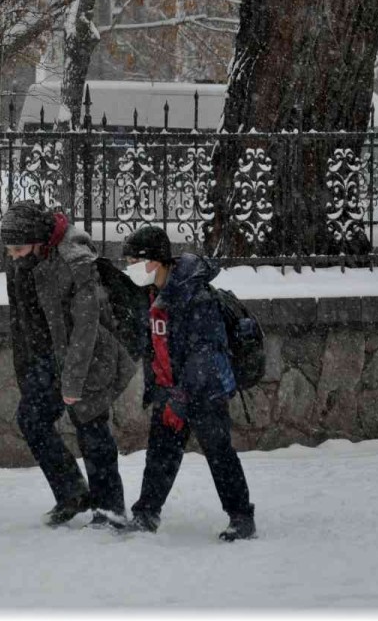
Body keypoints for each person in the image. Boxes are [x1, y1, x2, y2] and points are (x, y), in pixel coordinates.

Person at [1, 201, 137, 530]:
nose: (13, 256)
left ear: (37, 240)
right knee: (31, 419)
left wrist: (72, 383)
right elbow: (20, 321)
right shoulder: (22, 260)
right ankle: (72, 492)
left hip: (86, 355)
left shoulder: (75, 261)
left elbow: (86, 327)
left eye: (18, 249)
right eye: (10, 250)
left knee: (91, 426)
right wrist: (28, 368)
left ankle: (110, 509)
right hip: (47, 358)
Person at [120, 225, 257, 541]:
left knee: (219, 452)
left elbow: (202, 356)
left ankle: (241, 517)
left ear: (155, 261)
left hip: (204, 391)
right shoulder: (152, 293)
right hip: (171, 389)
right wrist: (161, 390)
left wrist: (181, 400)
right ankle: (146, 514)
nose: (129, 268)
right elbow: (155, 345)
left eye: (133, 261)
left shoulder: (194, 296)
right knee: (160, 454)